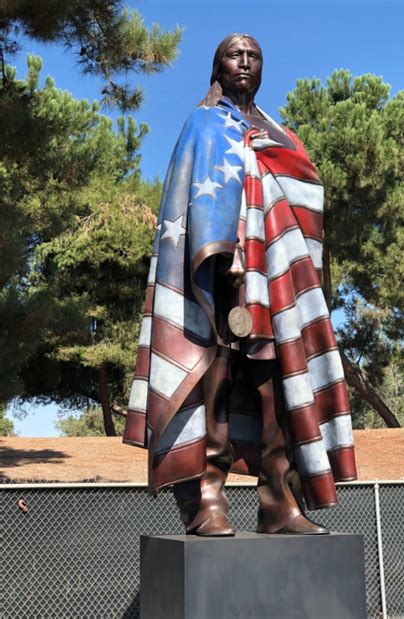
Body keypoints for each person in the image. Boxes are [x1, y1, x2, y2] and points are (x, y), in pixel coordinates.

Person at [123, 34, 357, 536]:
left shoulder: (283, 134)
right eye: (235, 54)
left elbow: (304, 193)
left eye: (254, 56)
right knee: (216, 375)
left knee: (275, 381)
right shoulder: (206, 123)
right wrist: (226, 246)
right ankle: (206, 495)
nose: (245, 62)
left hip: (274, 277)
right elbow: (193, 196)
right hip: (218, 276)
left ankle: (279, 500)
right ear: (218, 67)